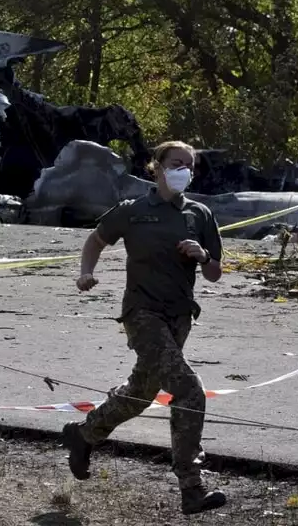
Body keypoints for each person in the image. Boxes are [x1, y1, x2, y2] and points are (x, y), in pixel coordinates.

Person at [61, 140, 227, 516]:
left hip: (179, 316)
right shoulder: (134, 210)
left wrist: (203, 257)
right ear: (157, 167)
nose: (182, 170)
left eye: (188, 165)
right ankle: (191, 486)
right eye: (175, 163)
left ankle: (84, 434)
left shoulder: (199, 214)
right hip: (142, 315)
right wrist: (87, 272)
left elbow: (215, 273)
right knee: (189, 391)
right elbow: (96, 239)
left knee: (142, 390)